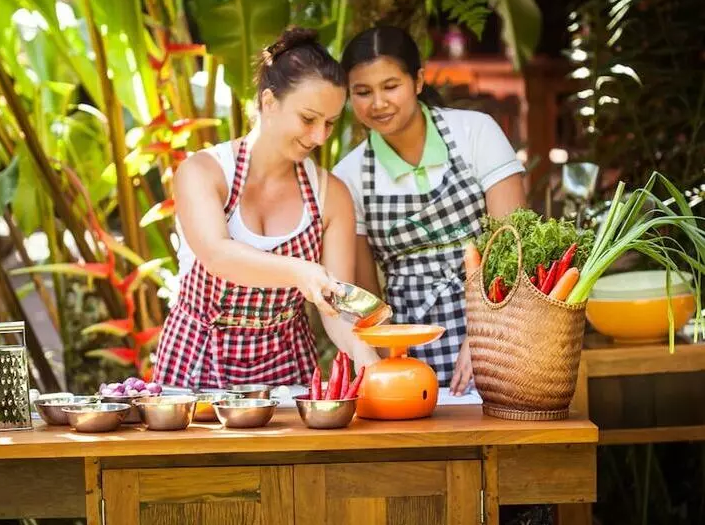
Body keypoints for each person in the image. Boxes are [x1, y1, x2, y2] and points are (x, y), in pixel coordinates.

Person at [153, 27, 379, 390]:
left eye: (330, 123)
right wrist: (300, 271)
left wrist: (370, 363)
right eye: (308, 119)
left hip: (289, 366)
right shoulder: (204, 172)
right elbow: (218, 256)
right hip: (195, 363)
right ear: (269, 102)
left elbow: (338, 311)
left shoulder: (330, 194)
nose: (320, 137)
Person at [333, 26, 526, 395]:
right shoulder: (349, 175)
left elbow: (513, 242)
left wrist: (485, 333)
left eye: (391, 86)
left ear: (418, 81)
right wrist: (386, 365)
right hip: (407, 350)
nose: (378, 103)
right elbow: (366, 295)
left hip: (499, 328)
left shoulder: (475, 132)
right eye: (362, 92)